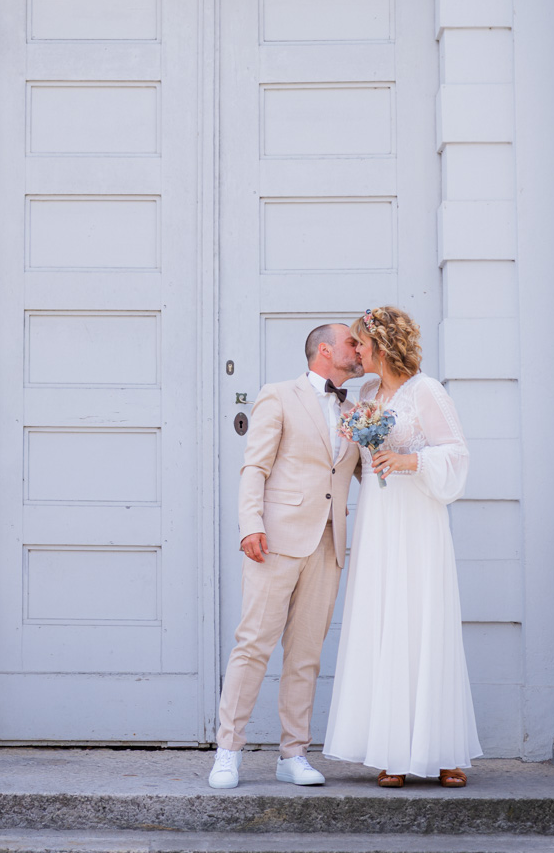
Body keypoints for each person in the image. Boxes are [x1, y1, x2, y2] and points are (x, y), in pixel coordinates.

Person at [323, 306, 482, 787]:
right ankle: (391, 751)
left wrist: (409, 461)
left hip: (417, 518)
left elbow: (456, 453)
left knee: (423, 618)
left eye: (359, 344)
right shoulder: (366, 393)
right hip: (378, 518)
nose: (354, 352)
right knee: (383, 619)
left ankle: (443, 751)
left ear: (381, 346)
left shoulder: (427, 391)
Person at [209, 323, 363, 789]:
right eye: (352, 343)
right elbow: (254, 465)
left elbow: (364, 477)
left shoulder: (357, 411)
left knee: (306, 655)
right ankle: (227, 750)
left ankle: (293, 753)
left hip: (329, 543)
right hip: (274, 540)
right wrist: (250, 524)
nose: (360, 351)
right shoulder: (277, 395)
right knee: (252, 644)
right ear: (325, 349)